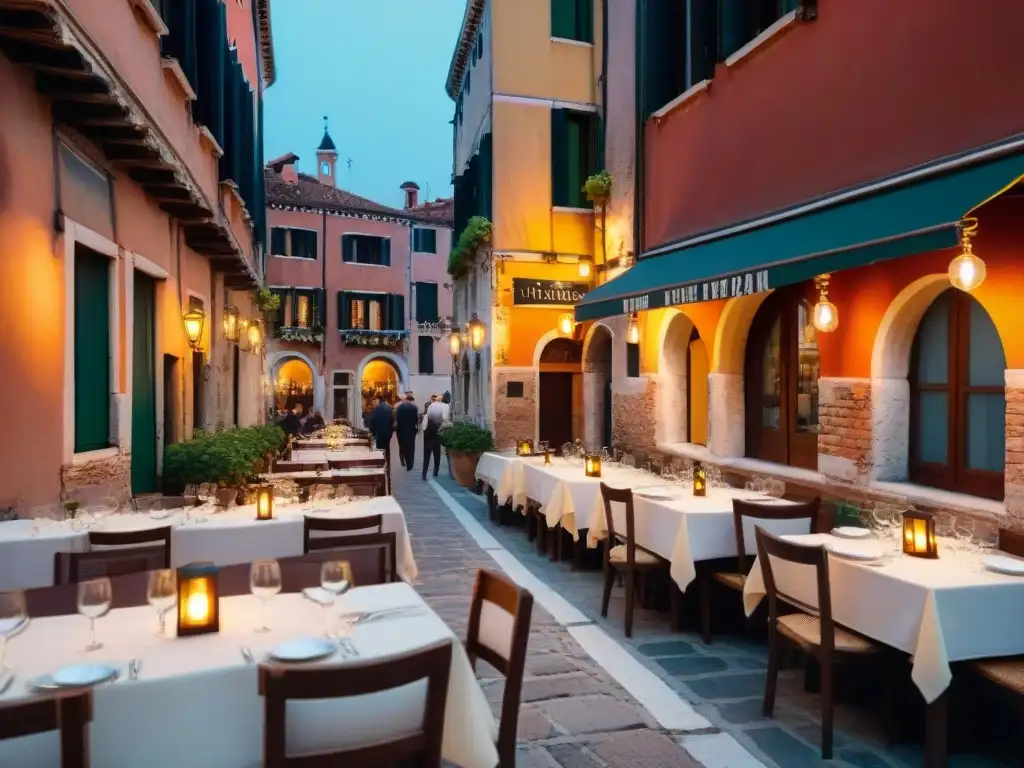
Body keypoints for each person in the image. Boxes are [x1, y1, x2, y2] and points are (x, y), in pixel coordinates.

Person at [421, 394, 451, 480]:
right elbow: (445, 418)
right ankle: (435, 473)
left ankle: (424, 474)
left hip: (427, 432)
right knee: (436, 454)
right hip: (437, 431)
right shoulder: (445, 406)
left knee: (426, 455)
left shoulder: (431, 406)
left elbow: (426, 418)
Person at [394, 392, 419, 472]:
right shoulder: (414, 407)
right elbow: (416, 420)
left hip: (401, 430)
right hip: (411, 429)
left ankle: (404, 460)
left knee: (403, 446)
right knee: (411, 446)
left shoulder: (399, 408)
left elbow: (398, 419)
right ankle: (410, 463)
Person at [368, 395, 395, 469]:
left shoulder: (376, 409)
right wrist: (391, 431)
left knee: (380, 448)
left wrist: (372, 431)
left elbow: (372, 420)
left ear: (378, 401)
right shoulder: (389, 409)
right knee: (387, 447)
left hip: (379, 432)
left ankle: (381, 464)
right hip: (388, 432)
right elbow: (392, 421)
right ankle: (388, 464)